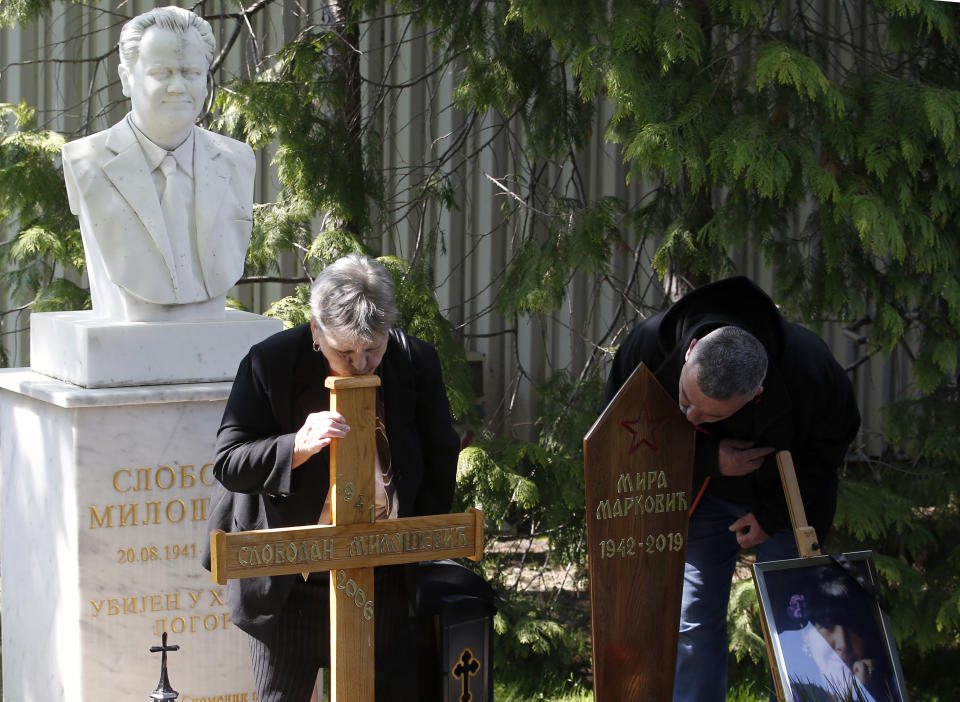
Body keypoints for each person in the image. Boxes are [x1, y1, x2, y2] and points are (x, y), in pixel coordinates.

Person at [203, 254, 461, 701]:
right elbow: (229, 462)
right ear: (315, 330)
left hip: (380, 566)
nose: (361, 364)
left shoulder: (414, 361)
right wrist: (295, 446)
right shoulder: (270, 363)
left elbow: (440, 456)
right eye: (345, 351)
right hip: (290, 577)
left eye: (373, 349)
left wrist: (417, 544)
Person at [600, 276, 861, 702]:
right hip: (699, 494)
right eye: (686, 397)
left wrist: (773, 516)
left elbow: (829, 448)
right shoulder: (646, 347)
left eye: (709, 415)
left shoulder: (808, 367)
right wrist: (706, 457)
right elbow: (614, 440)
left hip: (787, 500)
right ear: (688, 353)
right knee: (691, 620)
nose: (689, 414)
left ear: (756, 393)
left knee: (796, 625)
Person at [61, 6, 255, 321]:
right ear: (127, 79)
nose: (178, 86)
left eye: (190, 72)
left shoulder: (237, 161)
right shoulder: (86, 161)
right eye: (161, 73)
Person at [777, 568, 896, 702]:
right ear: (805, 636)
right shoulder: (792, 694)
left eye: (852, 627)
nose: (843, 644)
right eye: (827, 627)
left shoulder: (891, 687)